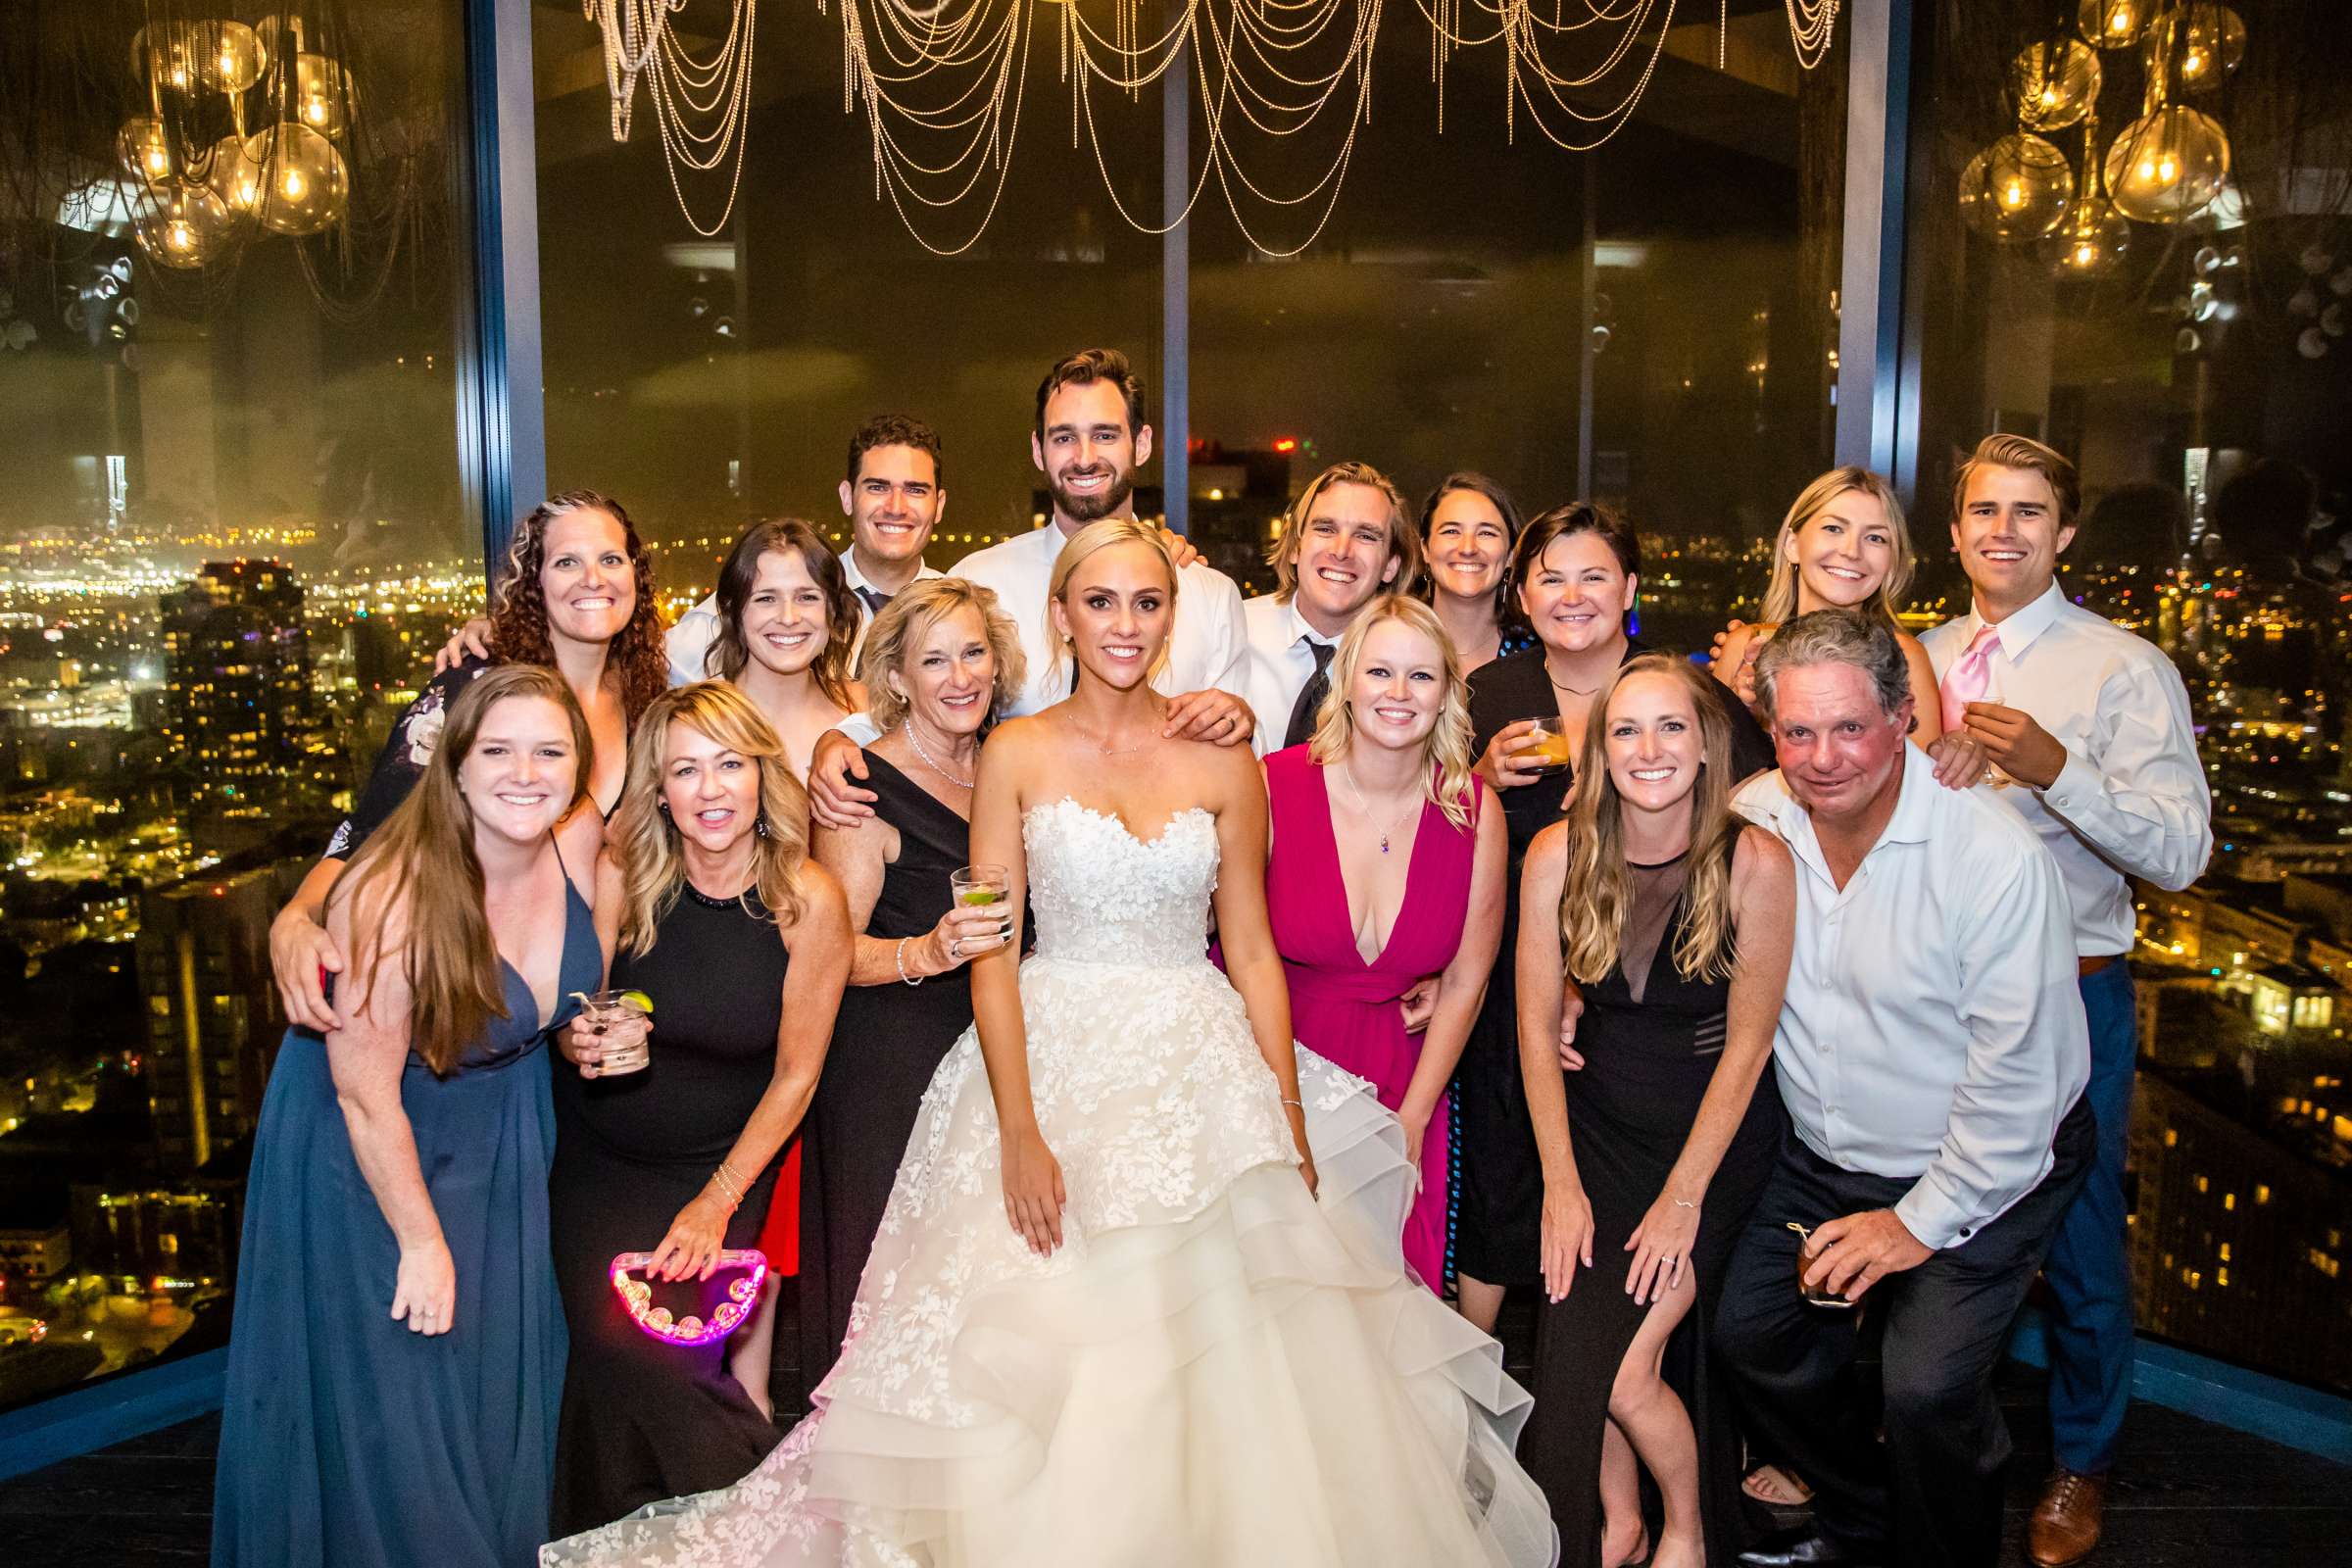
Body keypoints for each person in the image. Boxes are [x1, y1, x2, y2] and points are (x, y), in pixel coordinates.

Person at [542, 519, 1556, 1568]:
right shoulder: (1018, 752)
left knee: (1229, 1358)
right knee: (1042, 1345)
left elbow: (1251, 953)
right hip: (1047, 1045)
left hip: (1197, 1062)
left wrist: (1284, 1115)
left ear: (1171, 619)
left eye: (1147, 603)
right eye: (1102, 601)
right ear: (1063, 615)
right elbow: (994, 937)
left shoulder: (1224, 757)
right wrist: (1019, 1127)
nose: (1125, 623)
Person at [1713, 610, 2093, 1568]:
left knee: (1924, 1388)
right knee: (1749, 1331)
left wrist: (1915, 1224)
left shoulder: (1992, 857)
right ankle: (1863, 1516)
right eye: (1798, 731)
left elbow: (2019, 1093)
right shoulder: (1753, 820)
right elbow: (1646, 915)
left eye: (1849, 727)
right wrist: (1576, 997)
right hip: (1825, 1154)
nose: (1824, 756)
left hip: (1992, 1157)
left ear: (1901, 717)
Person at [214, 665, 603, 1568]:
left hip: (505, 1141)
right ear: (453, 765)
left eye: (550, 751)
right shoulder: (387, 895)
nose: (525, 772)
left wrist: (591, 1038)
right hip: (381, 1154)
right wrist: (422, 1243)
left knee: (492, 1392)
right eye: (497, 750)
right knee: (405, 1414)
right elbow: (362, 1093)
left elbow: (578, 997)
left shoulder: (579, 841)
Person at [1921, 435, 2211, 1568]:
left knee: (2081, 1248)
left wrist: (2055, 767)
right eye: (1984, 510)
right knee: (1933, 1223)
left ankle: (2082, 1462)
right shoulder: (1924, 652)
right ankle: (1944, 1434)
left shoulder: (2121, 666)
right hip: (1932, 998)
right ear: (1954, 534)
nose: (2004, 528)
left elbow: (2181, 851)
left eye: (2029, 511)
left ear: (2065, 532)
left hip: (2067, 997)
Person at [1455, 502, 1773, 1334]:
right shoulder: (1489, 695)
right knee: (1504, 1182)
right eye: (1549, 579)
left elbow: (1759, 820)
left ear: (1629, 587)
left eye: (1594, 575)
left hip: (1665, 1000)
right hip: (1515, 982)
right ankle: (1471, 1410)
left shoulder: (1684, 695)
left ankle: (1620, 1358)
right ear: (1521, 597)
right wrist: (1477, 780)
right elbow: (1428, 836)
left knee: (1638, 1226)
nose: (1571, 595)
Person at [546, 683, 852, 1533]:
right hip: (600, 1164)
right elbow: (581, 1012)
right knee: (613, 1356)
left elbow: (797, 1076)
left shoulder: (807, 901)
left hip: (721, 1170)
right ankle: (623, 1544)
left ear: (762, 775)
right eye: (685, 770)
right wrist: (583, 1042)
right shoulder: (626, 873)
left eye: (729, 765)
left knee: (671, 1364)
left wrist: (716, 1203)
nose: (710, 790)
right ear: (659, 789)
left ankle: (783, 1540)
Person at [1515, 655, 1795, 1568]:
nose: (1649, 748)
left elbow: (1750, 1048)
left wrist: (1685, 1198)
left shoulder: (1757, 861)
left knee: (1628, 1371)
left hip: (1708, 1144)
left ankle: (1687, 1527)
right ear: (1599, 752)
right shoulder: (1557, 852)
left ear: (1707, 744)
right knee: (1575, 1350)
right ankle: (1619, 1523)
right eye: (1626, 729)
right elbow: (1530, 1026)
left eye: (1671, 726)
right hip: (1595, 1135)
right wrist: (1559, 1183)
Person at [270, 490, 669, 1036]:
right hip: (439, 1006)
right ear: (535, 582)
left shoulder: (643, 700)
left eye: (610, 559)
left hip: (556, 1010)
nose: (592, 579)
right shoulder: (476, 685)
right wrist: (298, 916)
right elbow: (372, 827)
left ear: (634, 576)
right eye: (566, 562)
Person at [806, 350, 1253, 836]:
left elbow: (1244, 758)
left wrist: (1241, 718)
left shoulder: (1208, 594)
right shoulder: (981, 582)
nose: (1084, 457)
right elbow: (920, 702)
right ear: (1039, 450)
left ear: (1141, 444)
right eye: (1065, 438)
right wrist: (841, 738)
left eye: (1105, 435)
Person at [800, 577, 1025, 1389]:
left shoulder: (1017, 764)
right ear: (897, 678)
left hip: (998, 1056)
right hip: (891, 1069)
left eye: (974, 653)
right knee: (892, 1288)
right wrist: (924, 951)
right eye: (935, 660)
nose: (960, 676)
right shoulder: (859, 787)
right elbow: (826, 957)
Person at [1260, 594, 1505, 1295]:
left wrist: (1412, 1119)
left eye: (1421, 677)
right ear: (1347, 681)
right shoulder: (1272, 787)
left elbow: (1466, 980)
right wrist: (1277, 1102)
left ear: (1447, 695)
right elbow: (1233, 948)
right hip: (1282, 1072)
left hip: (1405, 1081)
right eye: (1379, 673)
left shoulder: (1474, 812)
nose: (1399, 695)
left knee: (1390, 1307)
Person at [667, 415, 950, 680]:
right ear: (847, 497)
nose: (896, 507)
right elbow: (672, 662)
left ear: (938, 506)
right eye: (877, 487)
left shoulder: (957, 611)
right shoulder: (786, 596)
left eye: (915, 490)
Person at [1709, 468, 1944, 749]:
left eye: (1875, 538)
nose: (1851, 551)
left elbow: (1921, 781)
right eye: (1834, 529)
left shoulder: (1905, 658)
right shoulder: (1744, 647)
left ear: (1892, 561)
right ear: (1792, 545)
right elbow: (1712, 771)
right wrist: (1747, 716)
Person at [1238, 460, 1421, 750]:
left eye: (1365, 536)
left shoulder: (1410, 664)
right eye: (1325, 529)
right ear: (1296, 546)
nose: (1341, 551)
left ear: (1390, 565)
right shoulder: (1234, 630)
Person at [698, 518, 864, 776]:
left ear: (834, 609)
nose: (788, 617)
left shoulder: (869, 711)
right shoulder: (695, 721)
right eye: (766, 599)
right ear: (733, 610)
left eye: (807, 597)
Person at [1420, 471, 1534, 675]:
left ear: (1511, 554)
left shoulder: (1540, 660)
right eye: (1451, 531)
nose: (1468, 548)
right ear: (1425, 549)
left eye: (1486, 533)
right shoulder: (1387, 642)